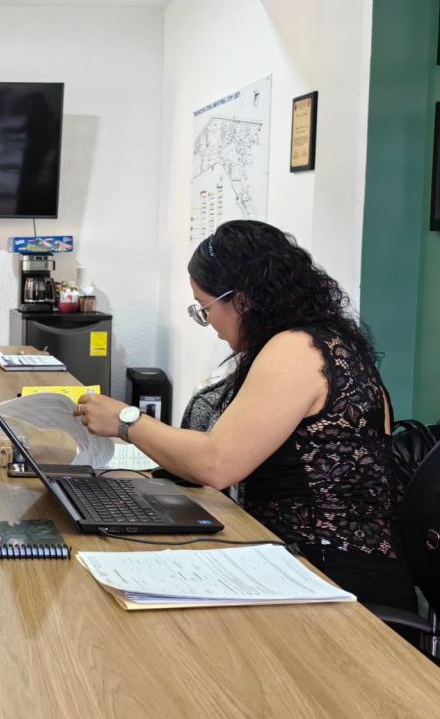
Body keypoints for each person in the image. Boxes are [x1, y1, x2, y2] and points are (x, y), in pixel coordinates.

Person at [76, 220, 415, 611]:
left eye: (205, 309)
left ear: (241, 300)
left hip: (334, 578)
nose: (210, 324)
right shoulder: (322, 340)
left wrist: (126, 421)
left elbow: (217, 463)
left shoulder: (297, 350)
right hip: (304, 564)